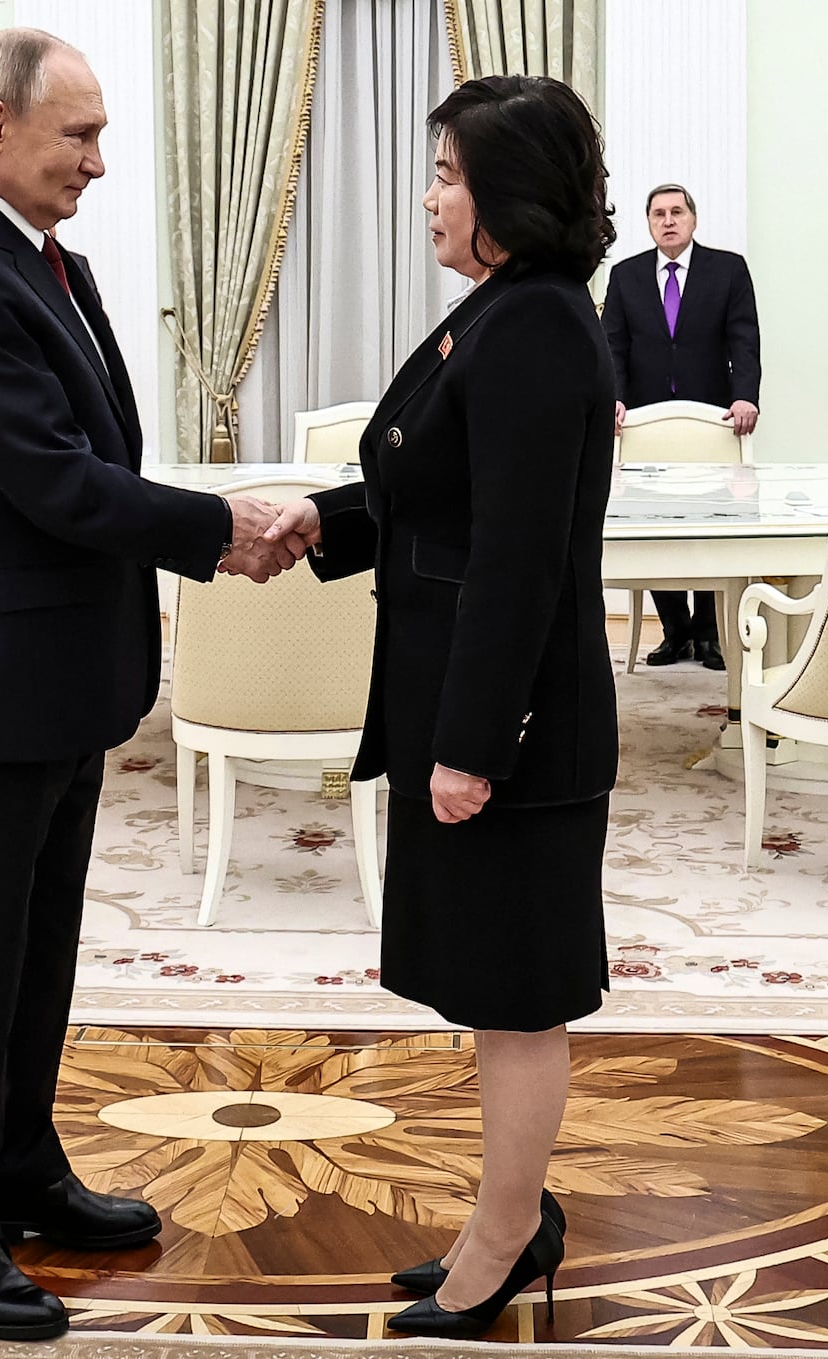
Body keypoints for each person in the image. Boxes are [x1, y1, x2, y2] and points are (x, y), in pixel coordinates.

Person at [0, 27, 300, 1343]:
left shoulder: (45, 262)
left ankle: (20, 1168)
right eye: (81, 136)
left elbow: (87, 456)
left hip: (51, 680)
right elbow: (54, 479)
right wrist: (219, 525)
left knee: (35, 952)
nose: (100, 162)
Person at [264, 75, 618, 1338]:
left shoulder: (534, 328)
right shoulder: (504, 309)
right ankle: (509, 1216)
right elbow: (437, 493)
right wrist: (326, 519)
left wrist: (471, 748)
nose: (430, 198)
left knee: (519, 997)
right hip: (463, 706)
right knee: (486, 987)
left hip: (512, 733)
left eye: (450, 177)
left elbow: (519, 562)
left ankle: (508, 1236)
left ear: (511, 192)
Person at [602, 184, 761, 671]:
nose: (668, 221)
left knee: (714, 523)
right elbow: (614, 346)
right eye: (658, 214)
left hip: (711, 417)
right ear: (648, 223)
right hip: (646, 420)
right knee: (653, 521)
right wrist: (613, 398)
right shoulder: (626, 276)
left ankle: (709, 635)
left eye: (676, 212)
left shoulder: (727, 269)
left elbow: (745, 337)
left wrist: (745, 396)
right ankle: (675, 633)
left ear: (693, 219)